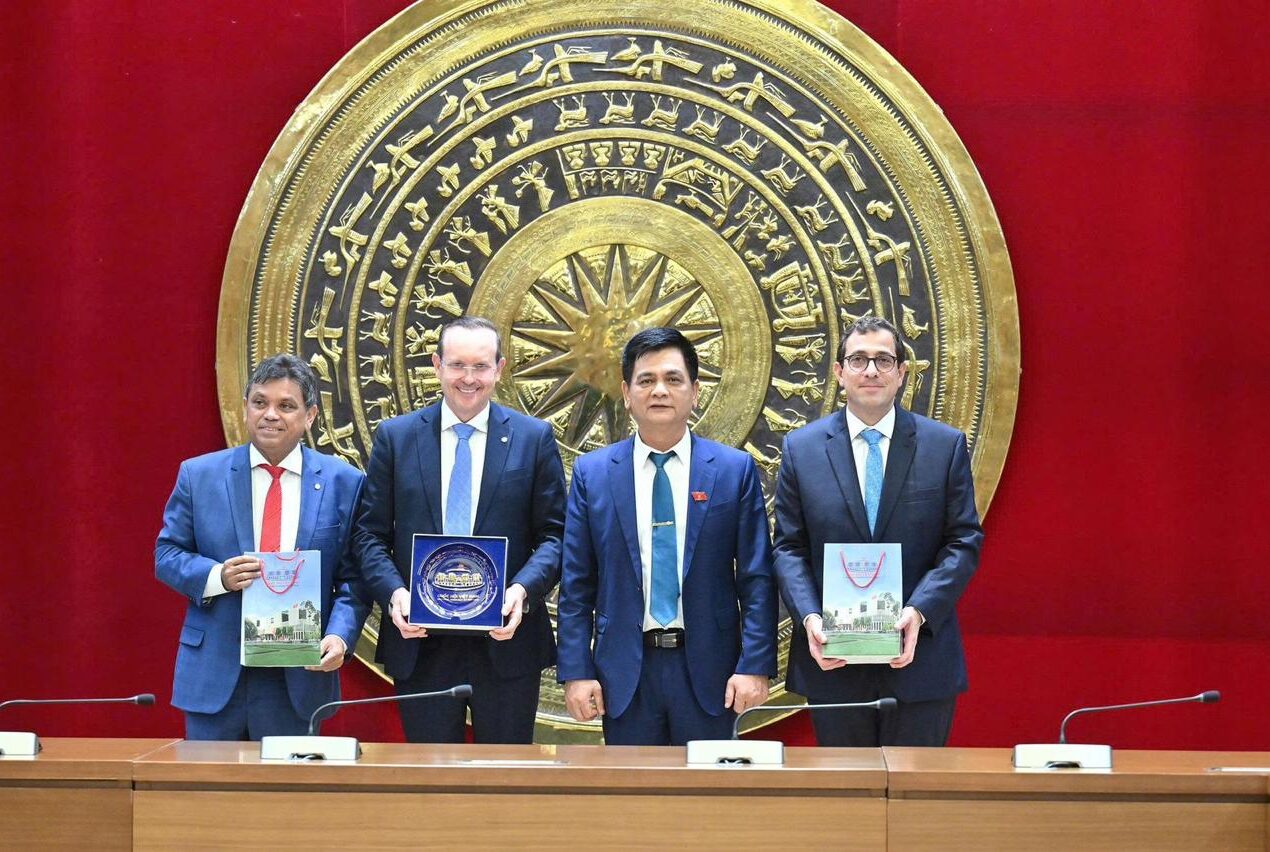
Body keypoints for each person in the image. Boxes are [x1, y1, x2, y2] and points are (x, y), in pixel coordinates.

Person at [557, 327, 777, 745]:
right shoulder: (593, 474)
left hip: (712, 672)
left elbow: (757, 578)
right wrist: (576, 671)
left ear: (695, 392)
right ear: (626, 392)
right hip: (624, 673)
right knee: (633, 787)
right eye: (646, 380)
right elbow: (577, 584)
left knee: (707, 787)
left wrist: (754, 664)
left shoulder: (733, 471)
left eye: (673, 379)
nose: (659, 390)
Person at [773, 316, 983, 746]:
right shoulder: (802, 449)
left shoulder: (943, 446)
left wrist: (919, 611)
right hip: (833, 661)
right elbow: (789, 548)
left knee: (915, 787)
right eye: (858, 360)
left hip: (920, 660)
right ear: (839, 372)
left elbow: (963, 542)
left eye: (883, 360)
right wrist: (810, 617)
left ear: (902, 373)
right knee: (846, 788)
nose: (871, 370)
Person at [356, 316, 565, 743]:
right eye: (457, 365)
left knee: (504, 773)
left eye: (481, 366)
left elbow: (555, 536)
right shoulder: (396, 438)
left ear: (499, 369)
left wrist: (521, 591)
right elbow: (369, 535)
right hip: (421, 642)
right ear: (437, 365)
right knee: (431, 778)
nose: (468, 379)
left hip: (506, 641)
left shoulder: (533, 438)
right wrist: (395, 594)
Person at [155, 354, 368, 740]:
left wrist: (339, 636)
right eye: (260, 402)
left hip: (297, 676)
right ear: (245, 408)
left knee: (286, 783)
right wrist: (218, 576)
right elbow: (167, 555)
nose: (270, 415)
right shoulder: (199, 475)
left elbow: (355, 578)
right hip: (217, 671)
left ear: (310, 416)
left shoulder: (344, 482)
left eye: (286, 405)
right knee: (207, 780)